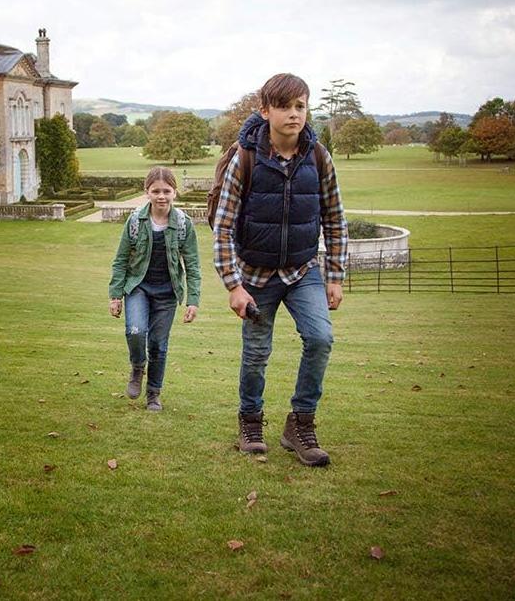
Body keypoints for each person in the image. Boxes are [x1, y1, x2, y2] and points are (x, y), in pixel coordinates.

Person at [212, 73, 348, 466]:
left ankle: (300, 425)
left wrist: (335, 276)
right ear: (265, 110)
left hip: (303, 270)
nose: (294, 114)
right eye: (285, 106)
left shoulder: (319, 156)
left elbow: (335, 219)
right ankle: (250, 422)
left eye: (300, 106)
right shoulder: (245, 157)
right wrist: (233, 286)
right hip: (255, 275)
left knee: (320, 339)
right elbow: (222, 227)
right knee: (256, 353)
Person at [108, 167, 201, 411]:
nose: (161, 196)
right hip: (138, 287)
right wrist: (115, 295)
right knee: (136, 331)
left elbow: (192, 265)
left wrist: (193, 300)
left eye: (166, 191)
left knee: (159, 344)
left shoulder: (183, 224)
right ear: (147, 192)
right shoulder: (135, 222)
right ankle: (138, 367)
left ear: (175, 193)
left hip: (167, 293)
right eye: (156, 191)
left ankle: (153, 394)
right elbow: (120, 260)